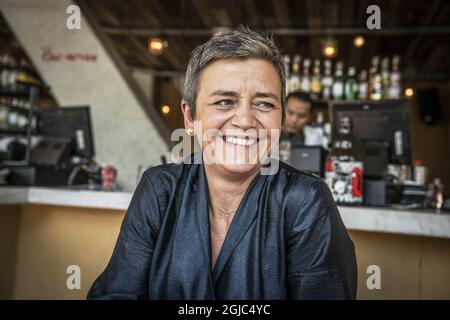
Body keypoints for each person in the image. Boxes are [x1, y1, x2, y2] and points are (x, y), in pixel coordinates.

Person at [87, 26, 357, 300]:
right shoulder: (159, 189)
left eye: (264, 104)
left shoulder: (305, 200)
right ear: (190, 116)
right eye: (225, 101)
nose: (244, 120)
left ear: (280, 118)